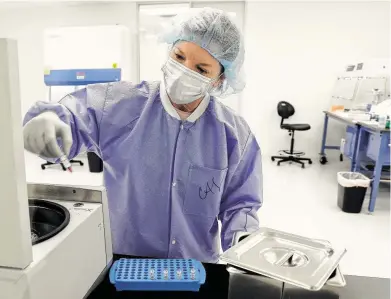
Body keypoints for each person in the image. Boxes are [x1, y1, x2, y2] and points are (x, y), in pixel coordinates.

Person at [23, 7, 262, 263]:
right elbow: (75, 115)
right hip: (121, 262)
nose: (184, 71)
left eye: (201, 70)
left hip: (194, 268)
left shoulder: (234, 135)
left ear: (219, 79)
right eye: (179, 56)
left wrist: (244, 242)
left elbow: (240, 206)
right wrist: (50, 119)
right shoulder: (118, 105)